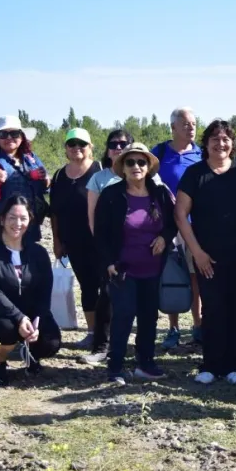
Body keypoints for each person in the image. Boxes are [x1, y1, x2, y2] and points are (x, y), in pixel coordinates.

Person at [175, 121, 236, 385]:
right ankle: (209, 365)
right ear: (206, 142)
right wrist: (196, 251)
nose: (220, 144)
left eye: (225, 139)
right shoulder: (195, 173)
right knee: (212, 308)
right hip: (206, 255)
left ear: (232, 143)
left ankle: (233, 366)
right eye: (214, 138)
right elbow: (180, 214)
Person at [94, 143, 177, 385]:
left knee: (149, 317)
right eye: (130, 162)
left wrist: (164, 237)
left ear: (149, 166)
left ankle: (145, 363)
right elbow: (100, 233)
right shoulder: (111, 195)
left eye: (141, 162)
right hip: (122, 269)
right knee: (123, 315)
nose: (136, 167)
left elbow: (173, 223)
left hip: (153, 267)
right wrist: (108, 262)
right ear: (123, 167)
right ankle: (116, 366)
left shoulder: (160, 193)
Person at [0, 196, 62, 387]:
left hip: (31, 313)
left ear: (30, 220)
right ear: (2, 219)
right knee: (6, 330)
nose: (17, 223)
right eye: (12, 217)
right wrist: (20, 318)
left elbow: (45, 290)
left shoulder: (38, 253)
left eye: (23, 218)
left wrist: (36, 320)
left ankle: (30, 353)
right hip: (0, 314)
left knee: (51, 341)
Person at [83, 129, 144, 363]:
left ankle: (141, 350)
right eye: (114, 144)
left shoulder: (145, 173)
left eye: (124, 143)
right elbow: (93, 218)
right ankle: (102, 346)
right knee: (107, 296)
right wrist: (103, 250)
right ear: (107, 149)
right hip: (111, 249)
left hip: (142, 249)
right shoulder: (99, 178)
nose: (118, 148)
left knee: (142, 299)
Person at [153, 107, 203, 349]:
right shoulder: (160, 153)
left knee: (195, 277)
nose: (190, 127)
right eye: (185, 124)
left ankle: (198, 326)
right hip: (166, 227)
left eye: (193, 123)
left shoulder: (202, 155)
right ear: (172, 127)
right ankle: (173, 329)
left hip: (194, 228)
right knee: (171, 276)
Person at [48, 128, 102, 350]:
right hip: (73, 243)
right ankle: (92, 332)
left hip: (100, 242)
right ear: (66, 149)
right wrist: (57, 241)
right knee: (87, 287)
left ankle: (110, 333)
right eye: (72, 144)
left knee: (108, 288)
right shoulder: (60, 176)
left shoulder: (100, 171)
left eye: (82, 144)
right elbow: (54, 212)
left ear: (91, 147)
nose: (77, 148)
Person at [0, 115, 48, 246]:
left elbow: (46, 188)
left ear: (22, 137)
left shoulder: (32, 159)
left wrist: (44, 178)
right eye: (3, 134)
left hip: (26, 228)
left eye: (14, 133)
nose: (9, 138)